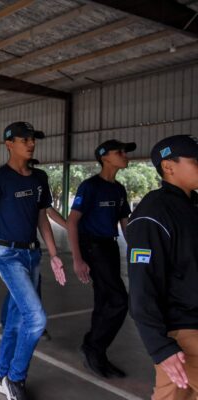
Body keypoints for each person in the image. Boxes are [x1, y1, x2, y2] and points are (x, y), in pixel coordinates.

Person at [0, 121, 66, 400]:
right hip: (8, 254)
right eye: (24, 139)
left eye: (33, 139)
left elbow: (42, 218)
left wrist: (54, 254)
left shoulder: (39, 178)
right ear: (9, 144)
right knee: (36, 318)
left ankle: (0, 376)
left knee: (15, 321)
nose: (31, 143)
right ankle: (15, 378)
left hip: (32, 255)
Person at [127, 135, 198, 399]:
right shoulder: (153, 212)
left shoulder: (192, 207)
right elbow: (142, 284)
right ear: (168, 166)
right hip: (183, 330)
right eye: (196, 161)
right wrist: (159, 346)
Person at [67, 140, 135, 378]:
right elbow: (72, 222)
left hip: (110, 247)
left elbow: (125, 223)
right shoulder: (90, 186)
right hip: (93, 247)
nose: (125, 155)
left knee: (105, 300)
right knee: (119, 300)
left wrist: (136, 251)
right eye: (120, 152)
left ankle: (95, 351)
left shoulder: (119, 189)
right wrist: (77, 259)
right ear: (104, 157)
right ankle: (93, 347)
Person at [0, 158, 66, 340]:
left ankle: (19, 323)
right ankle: (13, 324)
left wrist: (68, 227)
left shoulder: (38, 182)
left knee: (26, 288)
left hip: (31, 249)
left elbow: (45, 213)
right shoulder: (6, 181)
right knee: (21, 290)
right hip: (11, 250)